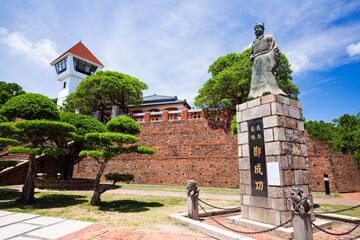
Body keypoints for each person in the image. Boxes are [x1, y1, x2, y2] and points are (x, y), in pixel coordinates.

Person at [248, 23, 286, 100]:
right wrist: (251, 57)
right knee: (255, 78)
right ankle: (254, 94)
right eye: (255, 28)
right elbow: (251, 54)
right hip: (256, 62)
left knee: (267, 74)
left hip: (267, 59)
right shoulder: (254, 42)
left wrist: (268, 56)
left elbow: (275, 49)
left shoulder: (269, 37)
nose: (256, 30)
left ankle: (270, 89)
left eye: (258, 27)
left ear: (263, 29)